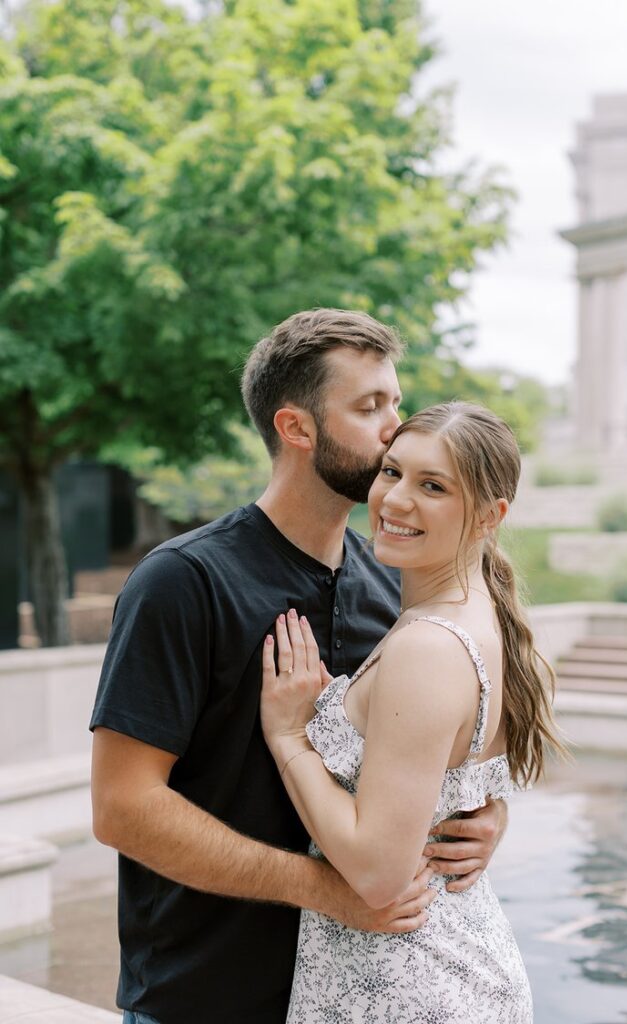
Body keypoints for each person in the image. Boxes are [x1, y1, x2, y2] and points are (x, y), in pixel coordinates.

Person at [90, 310, 508, 1024]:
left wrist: (479, 819)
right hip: (203, 998)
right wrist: (324, 888)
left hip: (353, 998)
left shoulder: (393, 588)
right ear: (297, 428)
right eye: (369, 406)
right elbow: (123, 808)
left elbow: (418, 760)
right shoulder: (183, 582)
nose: (394, 427)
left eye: (395, 402)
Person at [260, 400, 567, 1023]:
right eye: (392, 472)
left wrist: (290, 736)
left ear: (489, 515)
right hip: (437, 963)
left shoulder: (429, 648)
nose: (396, 500)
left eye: (432, 486)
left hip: (410, 986)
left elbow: (377, 873)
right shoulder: (476, 618)